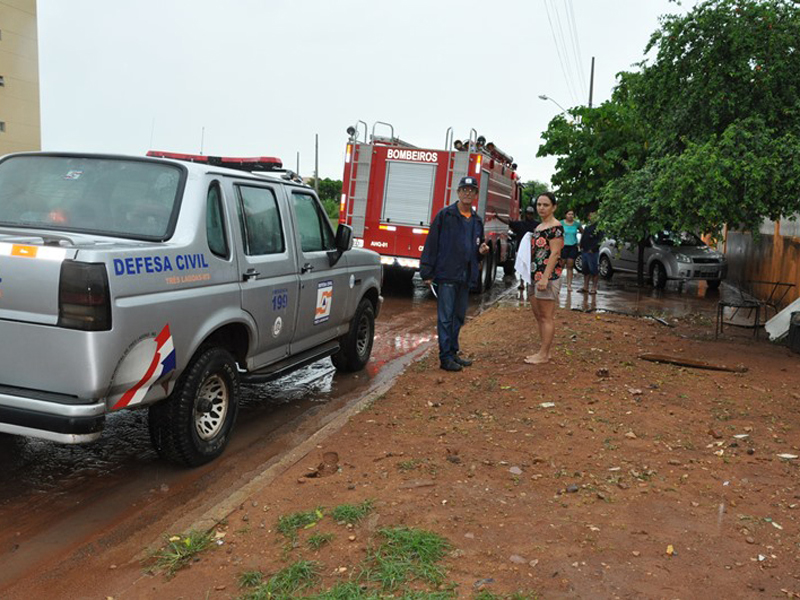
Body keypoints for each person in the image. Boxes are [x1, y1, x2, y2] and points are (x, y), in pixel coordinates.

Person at [421, 176, 490, 372]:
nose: (468, 193)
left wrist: (481, 252)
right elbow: (432, 243)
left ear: (476, 195)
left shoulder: (476, 220)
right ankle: (445, 358)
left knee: (458, 316)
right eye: (464, 189)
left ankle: (453, 352)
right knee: (445, 317)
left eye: (471, 190)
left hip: (466, 276)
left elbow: (476, 249)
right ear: (458, 192)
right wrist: (427, 271)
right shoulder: (445, 215)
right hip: (447, 274)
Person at [525, 192, 564, 364]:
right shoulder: (539, 227)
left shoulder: (555, 227)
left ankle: (544, 354)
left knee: (546, 316)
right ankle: (543, 352)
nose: (541, 208)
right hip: (535, 275)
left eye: (546, 205)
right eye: (539, 204)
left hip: (547, 277)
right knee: (539, 316)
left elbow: (555, 253)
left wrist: (545, 278)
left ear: (554, 207)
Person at [492, 205, 540, 290]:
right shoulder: (521, 224)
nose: (529, 215)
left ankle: (529, 283)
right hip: (521, 249)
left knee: (531, 266)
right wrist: (498, 217)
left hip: (532, 249)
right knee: (522, 266)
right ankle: (522, 283)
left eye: (531, 214)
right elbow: (509, 222)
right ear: (526, 214)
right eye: (528, 214)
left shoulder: (537, 225)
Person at [578, 212, 603, 295]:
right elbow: (583, 236)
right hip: (584, 250)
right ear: (588, 217)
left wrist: (593, 249)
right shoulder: (587, 227)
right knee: (585, 270)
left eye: (594, 215)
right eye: (591, 215)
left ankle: (594, 288)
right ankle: (585, 287)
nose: (592, 217)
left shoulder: (599, 227)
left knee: (594, 270)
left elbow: (600, 240)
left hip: (592, 252)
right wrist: (581, 246)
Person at [560, 210, 583, 291]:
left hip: (573, 246)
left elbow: (582, 232)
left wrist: (580, 243)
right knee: (561, 266)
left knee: (570, 266)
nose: (570, 216)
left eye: (572, 214)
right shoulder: (561, 223)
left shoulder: (576, 224)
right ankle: (558, 285)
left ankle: (569, 285)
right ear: (566, 215)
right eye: (569, 214)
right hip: (563, 246)